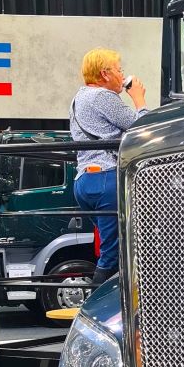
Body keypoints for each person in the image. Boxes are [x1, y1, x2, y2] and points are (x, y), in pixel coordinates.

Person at [70, 49, 147, 285]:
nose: (122, 75)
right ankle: (97, 300)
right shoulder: (102, 97)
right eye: (119, 70)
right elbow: (141, 128)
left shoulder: (79, 98)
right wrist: (139, 98)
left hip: (85, 182)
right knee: (113, 253)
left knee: (113, 246)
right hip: (106, 179)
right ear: (105, 74)